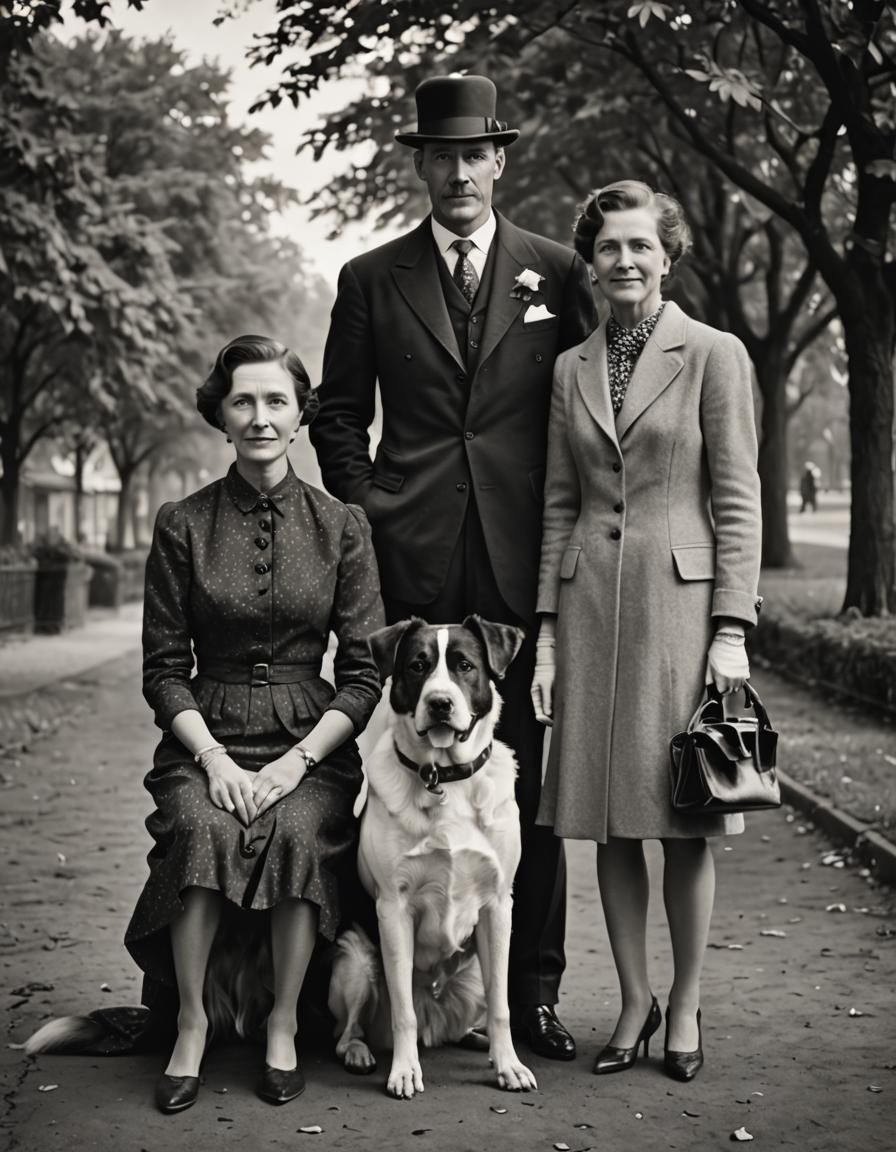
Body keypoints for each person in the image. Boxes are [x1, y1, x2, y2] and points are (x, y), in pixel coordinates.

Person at [310, 75, 597, 1060]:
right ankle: (399, 974)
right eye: (442, 154)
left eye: (477, 153)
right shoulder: (369, 278)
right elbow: (337, 413)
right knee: (399, 774)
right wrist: (369, 505)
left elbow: (587, 402)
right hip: (413, 561)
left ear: (501, 161)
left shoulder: (555, 273)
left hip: (527, 569)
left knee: (531, 789)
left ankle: (530, 995)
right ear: (422, 165)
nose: (461, 169)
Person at [531, 180, 762, 1081]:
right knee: (611, 822)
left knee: (685, 818)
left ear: (667, 256)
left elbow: (737, 498)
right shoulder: (569, 367)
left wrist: (731, 628)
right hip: (590, 610)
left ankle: (688, 1005)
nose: (624, 261)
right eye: (608, 249)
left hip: (680, 609)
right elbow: (559, 502)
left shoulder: (713, 353)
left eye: (640, 246)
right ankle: (632, 1004)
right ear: (589, 266)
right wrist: (546, 632)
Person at [128, 334, 384, 1112]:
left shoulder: (343, 526)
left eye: (277, 401)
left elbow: (365, 673)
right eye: (245, 401)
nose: (261, 417)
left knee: (301, 830)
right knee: (202, 827)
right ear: (222, 413)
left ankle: (281, 1025)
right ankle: (193, 1024)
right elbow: (163, 669)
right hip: (206, 737)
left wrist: (297, 763)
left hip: (310, 745)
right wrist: (214, 762)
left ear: (303, 413)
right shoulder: (183, 523)